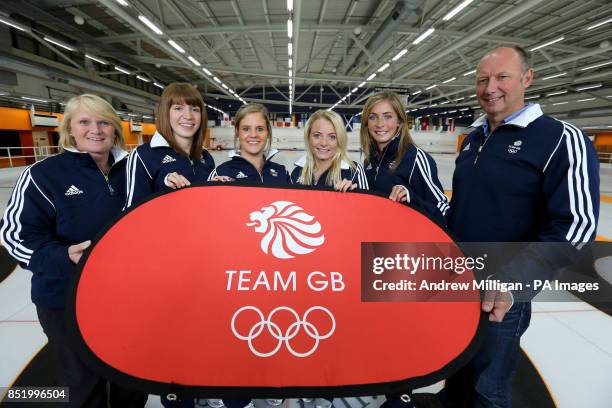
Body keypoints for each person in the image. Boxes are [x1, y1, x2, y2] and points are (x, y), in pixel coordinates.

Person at [442, 46, 599, 407]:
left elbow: (576, 226)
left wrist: (513, 280)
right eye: (482, 80)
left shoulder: (560, 138)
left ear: (527, 78)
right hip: (460, 285)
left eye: (502, 77)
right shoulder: (475, 139)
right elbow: (462, 211)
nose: (490, 87)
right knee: (456, 380)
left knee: (488, 390)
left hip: (502, 295)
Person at [0, 94, 147, 407]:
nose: (95, 129)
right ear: (69, 129)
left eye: (104, 121)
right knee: (84, 384)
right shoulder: (43, 175)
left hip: (126, 298)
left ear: (115, 128)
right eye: (84, 121)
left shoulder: (135, 170)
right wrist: (63, 256)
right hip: (65, 299)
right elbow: (16, 235)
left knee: (130, 381)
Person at [360, 91, 449, 224]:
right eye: (373, 117)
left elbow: (444, 210)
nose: (380, 124)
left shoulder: (415, 158)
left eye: (388, 116)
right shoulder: (369, 161)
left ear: (399, 122)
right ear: (366, 123)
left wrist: (411, 198)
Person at [124, 82, 215, 209]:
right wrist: (164, 186)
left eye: (195, 109)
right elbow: (132, 213)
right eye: (178, 108)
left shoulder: (205, 156)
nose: (188, 116)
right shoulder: (143, 156)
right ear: (166, 113)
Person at [208, 103, 290, 185]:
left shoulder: (282, 173)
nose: (253, 135)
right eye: (246, 129)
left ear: (268, 132)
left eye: (260, 129)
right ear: (237, 132)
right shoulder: (221, 173)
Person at [291, 109, 368, 191]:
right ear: (308, 137)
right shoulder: (297, 172)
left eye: (332, 137)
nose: (324, 143)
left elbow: (368, 203)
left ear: (340, 140)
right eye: (317, 135)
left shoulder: (354, 171)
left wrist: (354, 196)